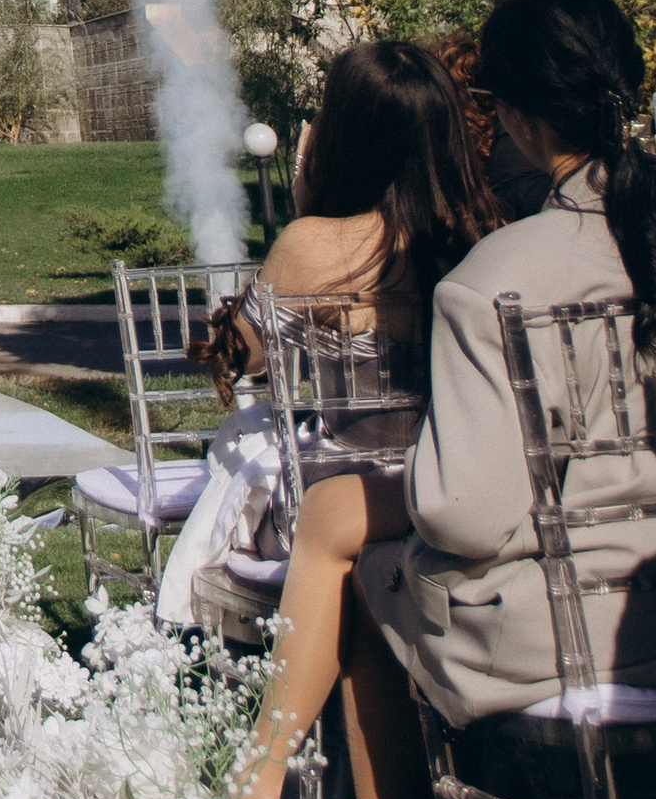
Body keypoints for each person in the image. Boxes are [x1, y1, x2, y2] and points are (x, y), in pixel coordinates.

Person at [235, 0, 656, 799]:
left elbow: (464, 514)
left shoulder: (492, 278)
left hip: (560, 632)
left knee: (369, 568)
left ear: (520, 118)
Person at [166, 39, 484, 635]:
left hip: (339, 502)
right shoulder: (477, 236)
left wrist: (306, 207)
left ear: (343, 138)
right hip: (455, 494)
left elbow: (243, 357)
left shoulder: (316, 244)